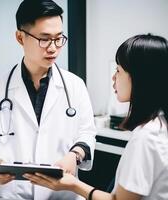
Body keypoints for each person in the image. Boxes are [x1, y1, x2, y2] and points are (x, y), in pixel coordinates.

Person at [0, 0, 96, 199]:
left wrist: (75, 154)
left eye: (59, 38)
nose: (53, 48)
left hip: (62, 195)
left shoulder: (75, 85)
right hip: (11, 194)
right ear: (20, 37)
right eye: (44, 39)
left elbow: (87, 133)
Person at [23, 33, 168, 200]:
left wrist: (73, 183)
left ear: (140, 78)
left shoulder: (147, 137)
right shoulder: (160, 126)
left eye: (118, 70)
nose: (113, 77)